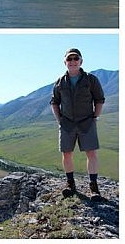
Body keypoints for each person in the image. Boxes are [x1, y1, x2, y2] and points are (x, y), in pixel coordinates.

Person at [50, 48, 105, 197]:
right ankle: (70, 184)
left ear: (81, 61)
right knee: (66, 154)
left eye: (76, 59)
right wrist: (59, 120)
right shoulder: (60, 82)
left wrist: (95, 117)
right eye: (70, 59)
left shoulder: (91, 79)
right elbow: (54, 102)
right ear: (65, 62)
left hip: (86, 122)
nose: (73, 62)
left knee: (91, 153)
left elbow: (99, 99)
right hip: (67, 123)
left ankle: (94, 187)